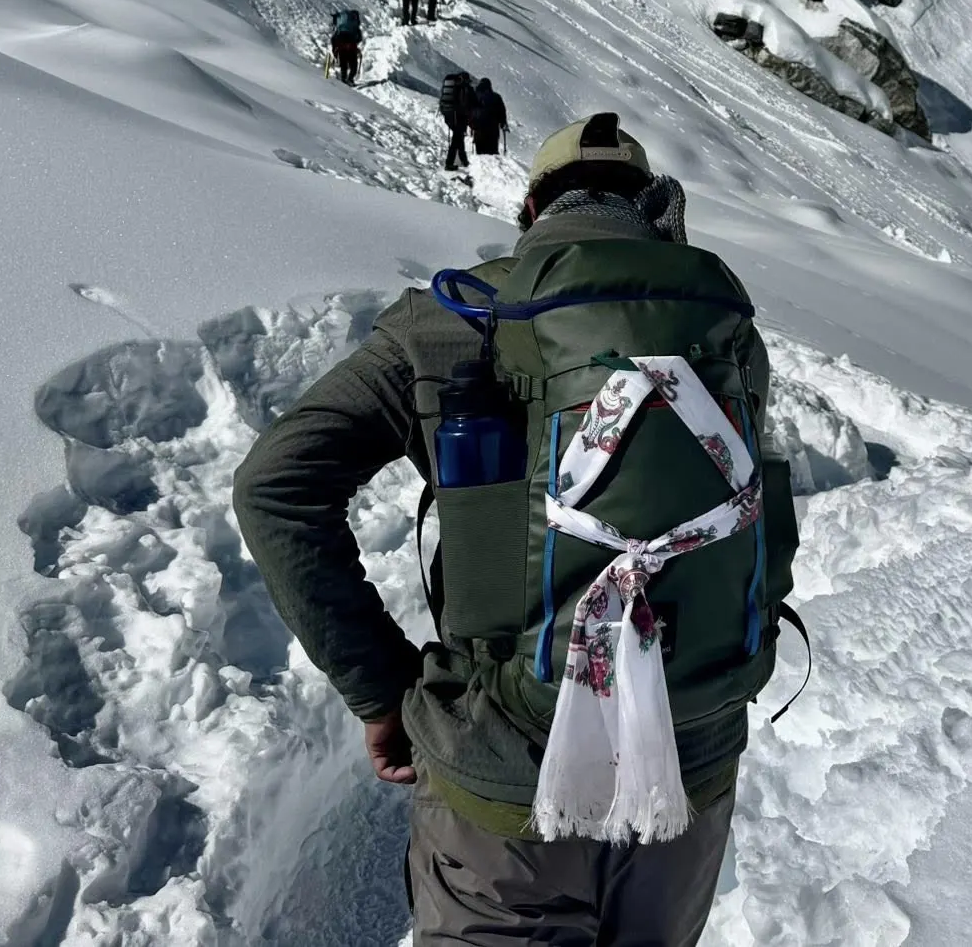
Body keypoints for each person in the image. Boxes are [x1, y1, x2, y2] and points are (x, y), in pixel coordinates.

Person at [232, 115, 796, 947]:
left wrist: (384, 690)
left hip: (506, 776)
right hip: (689, 771)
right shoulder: (723, 333)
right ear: (656, 210)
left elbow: (276, 486)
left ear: (531, 208)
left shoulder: (453, 319)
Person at [439, 70, 472, 170]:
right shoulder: (462, 87)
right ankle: (449, 163)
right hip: (457, 115)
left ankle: (463, 160)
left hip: (447, 113)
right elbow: (464, 103)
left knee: (459, 136)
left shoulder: (450, 84)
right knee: (457, 138)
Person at [469, 77, 507, 155]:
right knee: (492, 153)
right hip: (493, 131)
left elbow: (471, 112)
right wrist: (503, 123)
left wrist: (472, 125)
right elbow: (502, 112)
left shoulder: (475, 96)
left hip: (479, 131)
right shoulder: (496, 97)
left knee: (481, 155)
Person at [329, 9, 362, 85]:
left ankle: (343, 81)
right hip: (351, 46)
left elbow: (333, 39)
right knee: (353, 65)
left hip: (341, 45)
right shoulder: (355, 26)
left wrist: (334, 50)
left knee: (343, 65)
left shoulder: (340, 27)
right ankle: (350, 79)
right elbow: (359, 38)